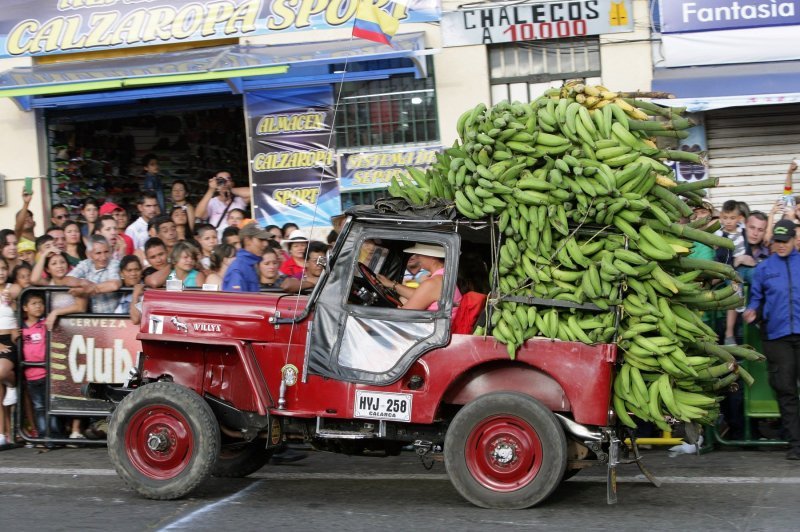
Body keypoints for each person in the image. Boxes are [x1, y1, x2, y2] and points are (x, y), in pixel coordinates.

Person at [743, 219, 800, 460]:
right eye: (777, 241)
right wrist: (752, 310)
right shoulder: (763, 269)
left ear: (794, 239)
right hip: (777, 337)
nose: (781, 245)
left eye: (785, 241)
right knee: (786, 389)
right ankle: (796, 444)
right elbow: (755, 298)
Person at [20, 291, 63, 442]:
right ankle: (44, 436)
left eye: (40, 303)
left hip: (47, 374)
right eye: (34, 303)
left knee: (51, 406)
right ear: (25, 308)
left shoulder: (45, 324)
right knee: (39, 407)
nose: (38, 306)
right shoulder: (21, 329)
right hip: (31, 376)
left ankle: (56, 436)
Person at [377, 243, 462, 314]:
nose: (417, 258)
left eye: (419, 254)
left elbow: (404, 315)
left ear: (432, 256)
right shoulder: (443, 277)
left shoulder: (433, 283)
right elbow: (419, 295)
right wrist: (391, 284)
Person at [64, 235, 122, 314]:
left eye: (106, 252)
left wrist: (85, 290)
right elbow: (68, 279)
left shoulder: (113, 263)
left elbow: (114, 285)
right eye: (98, 253)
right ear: (89, 254)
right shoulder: (86, 263)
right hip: (92, 320)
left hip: (114, 318)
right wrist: (82, 282)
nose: (103, 257)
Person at [222, 223, 272, 292]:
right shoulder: (238, 269)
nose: (266, 244)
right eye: (261, 240)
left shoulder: (251, 264)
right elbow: (236, 300)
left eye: (266, 240)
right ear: (247, 240)